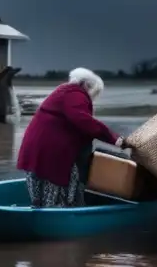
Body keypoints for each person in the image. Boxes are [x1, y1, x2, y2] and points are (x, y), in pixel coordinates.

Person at [17, 68, 125, 208]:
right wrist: (114, 139)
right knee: (63, 185)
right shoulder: (76, 94)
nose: (92, 98)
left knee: (39, 191)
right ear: (86, 85)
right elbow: (83, 120)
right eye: (95, 93)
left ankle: (41, 212)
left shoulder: (63, 91)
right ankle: (59, 215)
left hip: (36, 149)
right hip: (51, 152)